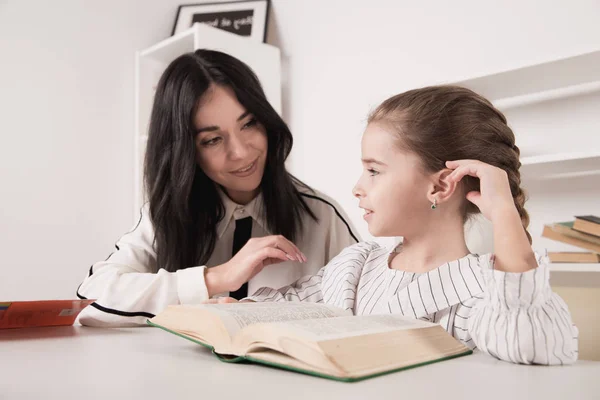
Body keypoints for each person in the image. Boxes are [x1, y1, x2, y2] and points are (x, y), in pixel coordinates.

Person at [213, 85, 579, 365]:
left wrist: (505, 217)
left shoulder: (483, 290)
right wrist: (229, 302)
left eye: (374, 171)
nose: (357, 188)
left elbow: (534, 344)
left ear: (439, 185)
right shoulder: (356, 266)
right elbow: (280, 309)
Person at [76, 49, 359, 327]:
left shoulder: (322, 217)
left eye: (249, 124)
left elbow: (369, 308)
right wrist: (215, 278)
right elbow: (92, 298)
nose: (240, 152)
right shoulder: (164, 218)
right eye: (212, 139)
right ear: (185, 151)